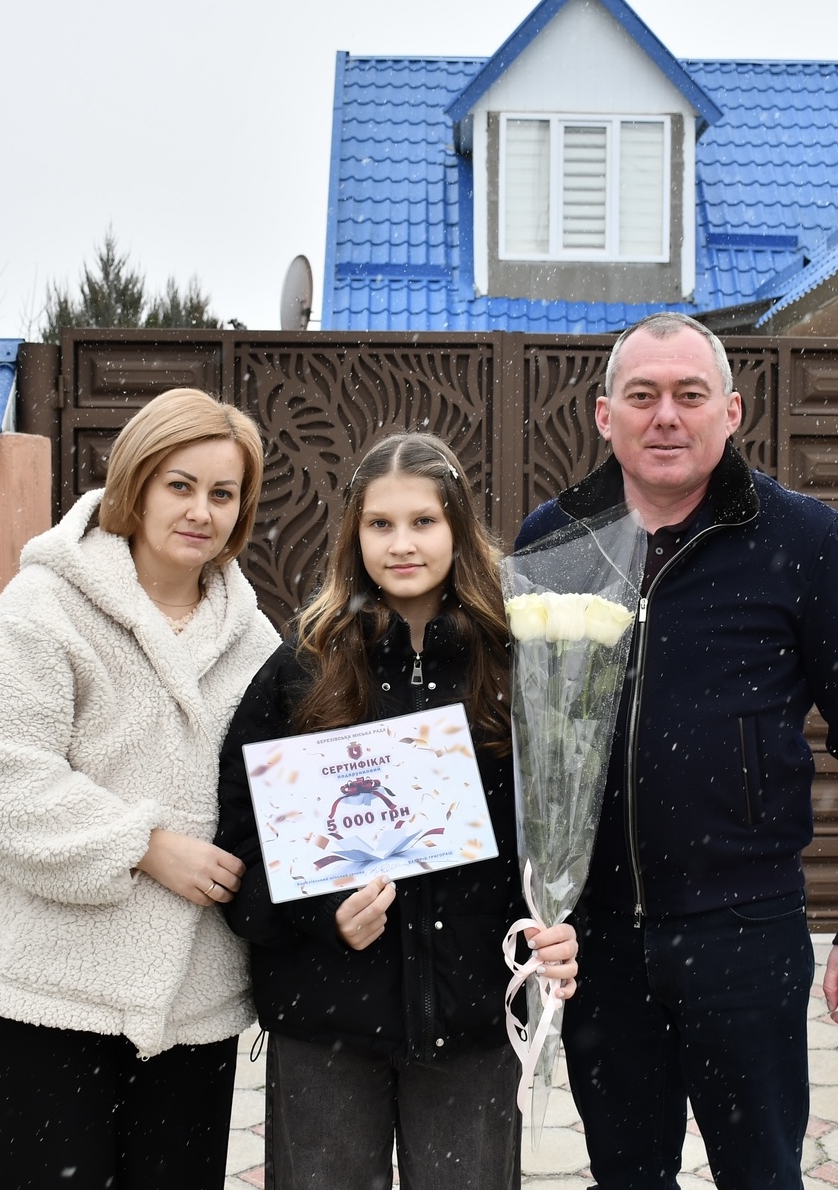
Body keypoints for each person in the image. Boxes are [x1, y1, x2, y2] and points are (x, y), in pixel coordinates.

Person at [516, 313, 838, 1189]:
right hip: (597, 940)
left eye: (689, 394)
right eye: (642, 395)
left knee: (760, 1173)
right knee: (626, 1174)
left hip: (744, 929)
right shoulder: (553, 537)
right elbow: (519, 731)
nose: (666, 415)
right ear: (604, 415)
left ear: (730, 412)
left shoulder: (802, 539)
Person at [216, 433, 579, 1190]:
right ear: (353, 535)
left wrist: (557, 922)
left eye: (423, 521)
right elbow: (241, 842)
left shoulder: (518, 661)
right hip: (326, 1019)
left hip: (476, 1014)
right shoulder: (301, 667)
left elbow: (561, 827)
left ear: (458, 529)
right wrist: (321, 913)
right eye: (380, 524)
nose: (401, 544)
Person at [0, 388, 281, 1189]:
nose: (200, 510)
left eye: (223, 493)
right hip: (50, 993)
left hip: (194, 1005)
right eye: (179, 484)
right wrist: (142, 846)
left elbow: (283, 792)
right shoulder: (44, 606)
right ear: (136, 481)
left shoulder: (255, 641)